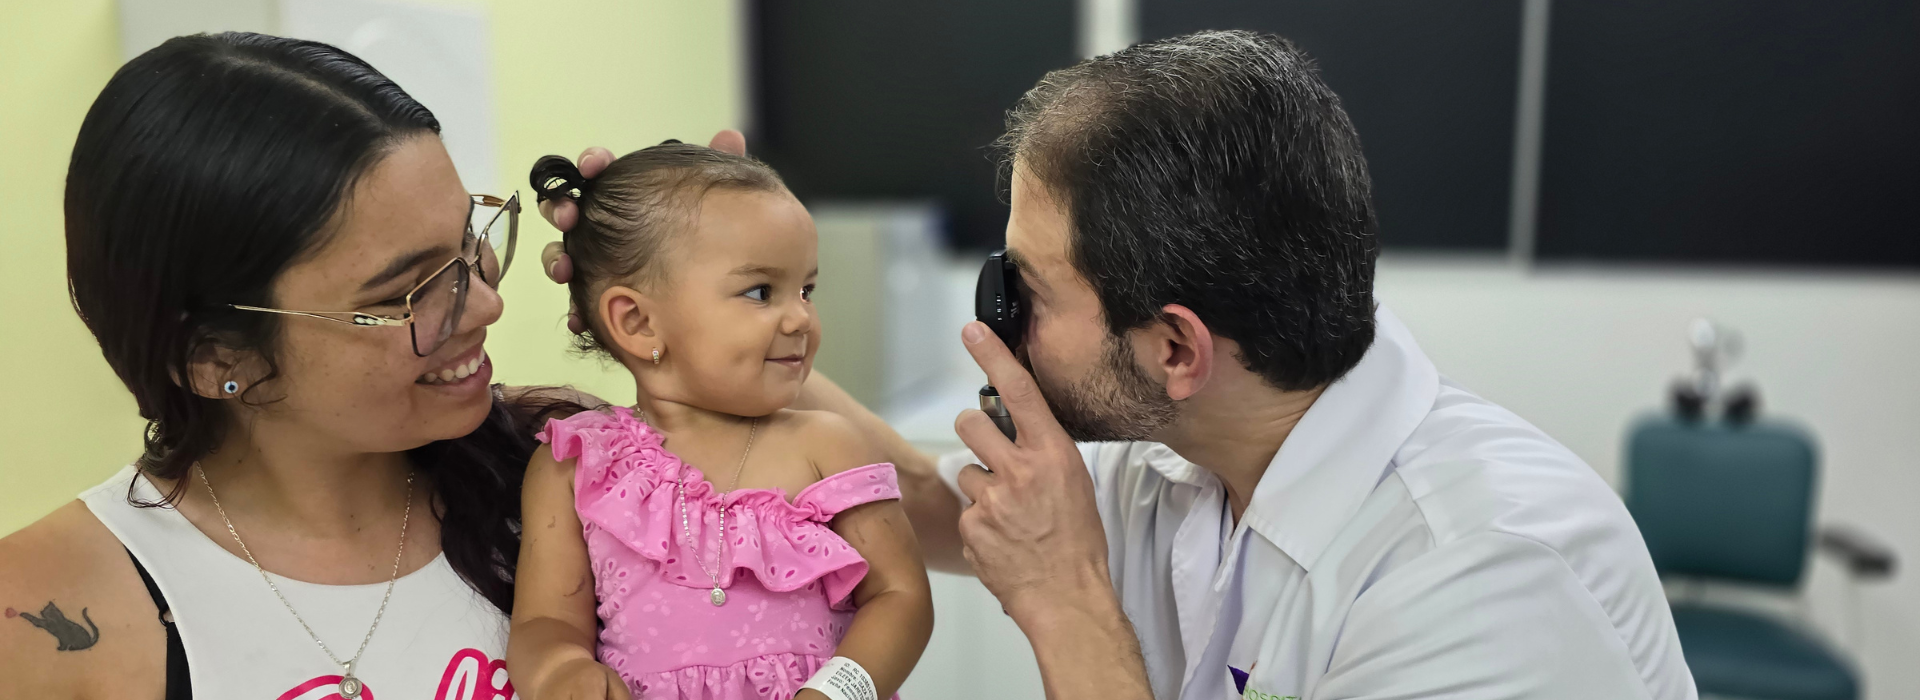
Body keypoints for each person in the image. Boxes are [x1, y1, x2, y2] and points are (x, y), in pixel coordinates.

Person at [545, 31, 1698, 700]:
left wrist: (1069, 608)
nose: (995, 318)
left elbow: (1034, 562)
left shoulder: (1485, 583)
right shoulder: (1192, 447)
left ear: (1176, 346)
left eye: (1028, 292)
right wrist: (707, 335)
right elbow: (932, 510)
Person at [0, 31, 745, 699]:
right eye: (408, 292)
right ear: (214, 357)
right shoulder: (47, 612)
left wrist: (725, 318)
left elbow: (850, 554)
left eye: (469, 242)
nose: (485, 305)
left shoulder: (584, 479)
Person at [507, 145, 933, 699]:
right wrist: (559, 671)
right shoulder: (575, 465)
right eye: (761, 292)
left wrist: (835, 692)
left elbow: (901, 597)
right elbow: (546, 622)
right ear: (636, 321)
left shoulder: (826, 444)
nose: (802, 316)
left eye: (807, 289)